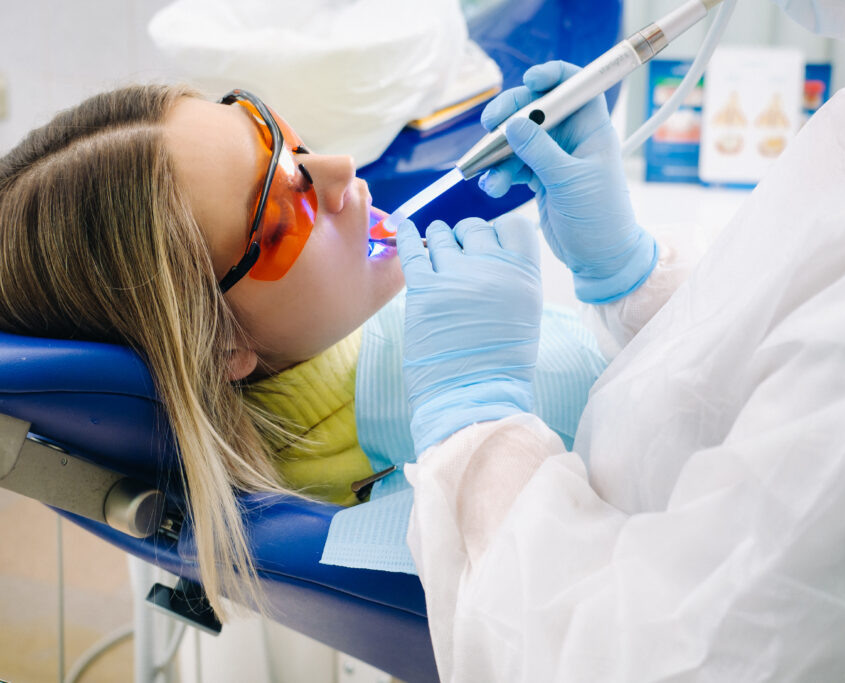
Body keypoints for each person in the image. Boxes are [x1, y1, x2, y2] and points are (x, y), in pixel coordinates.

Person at [394, 0, 845, 679]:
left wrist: (478, 435)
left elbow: (663, 659)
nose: (334, 181)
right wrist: (630, 278)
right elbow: (796, 354)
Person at [0, 85, 605, 620]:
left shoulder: (352, 332)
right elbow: (565, 625)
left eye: (288, 142)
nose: (340, 169)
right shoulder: (380, 498)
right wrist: (474, 423)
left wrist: (629, 279)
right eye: (286, 206)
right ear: (222, 344)